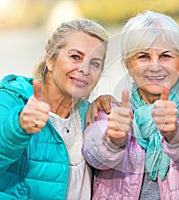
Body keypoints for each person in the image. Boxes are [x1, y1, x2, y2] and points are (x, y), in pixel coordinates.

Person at [82, 11, 179, 199]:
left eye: (166, 56)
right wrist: (113, 140)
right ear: (128, 64)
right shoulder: (113, 110)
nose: (155, 66)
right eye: (143, 56)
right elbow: (92, 153)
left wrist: (176, 134)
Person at [0, 18, 109, 199]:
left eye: (95, 63)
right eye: (75, 57)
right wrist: (18, 126)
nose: (85, 69)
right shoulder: (12, 99)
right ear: (50, 59)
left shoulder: (90, 115)